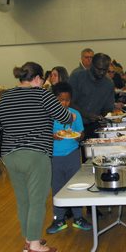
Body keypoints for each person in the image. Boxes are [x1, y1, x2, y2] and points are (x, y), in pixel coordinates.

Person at [0, 61, 75, 252]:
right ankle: (36, 247)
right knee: (37, 200)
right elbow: (64, 116)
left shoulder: (5, 96)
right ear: (37, 78)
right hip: (36, 154)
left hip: (10, 155)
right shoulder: (43, 94)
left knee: (23, 200)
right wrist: (71, 116)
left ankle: (29, 239)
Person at [46, 82, 91, 234]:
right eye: (60, 100)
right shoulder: (48, 115)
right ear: (54, 100)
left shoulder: (75, 114)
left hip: (72, 153)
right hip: (54, 156)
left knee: (75, 186)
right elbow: (44, 134)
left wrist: (78, 136)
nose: (64, 103)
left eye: (67, 100)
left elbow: (81, 132)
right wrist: (52, 136)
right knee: (57, 187)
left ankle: (78, 217)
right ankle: (59, 219)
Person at [68, 53, 115, 139]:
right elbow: (68, 102)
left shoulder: (109, 84)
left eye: (105, 70)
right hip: (73, 125)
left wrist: (104, 118)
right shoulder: (77, 77)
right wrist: (87, 115)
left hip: (94, 127)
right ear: (92, 65)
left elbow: (108, 108)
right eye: (99, 69)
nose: (102, 72)